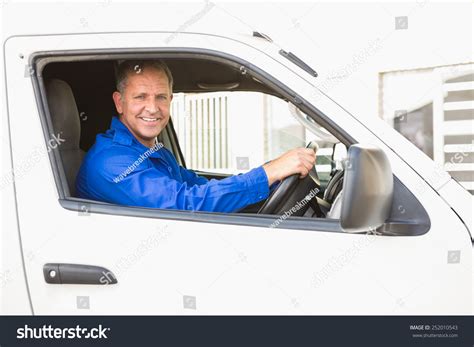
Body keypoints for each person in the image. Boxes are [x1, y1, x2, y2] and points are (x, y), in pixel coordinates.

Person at [76, 60, 317, 212]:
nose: (152, 108)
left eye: (161, 97)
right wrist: (269, 173)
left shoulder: (152, 151)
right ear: (120, 102)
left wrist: (270, 173)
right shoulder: (111, 161)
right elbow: (185, 203)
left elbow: (199, 186)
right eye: (140, 97)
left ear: (170, 101)